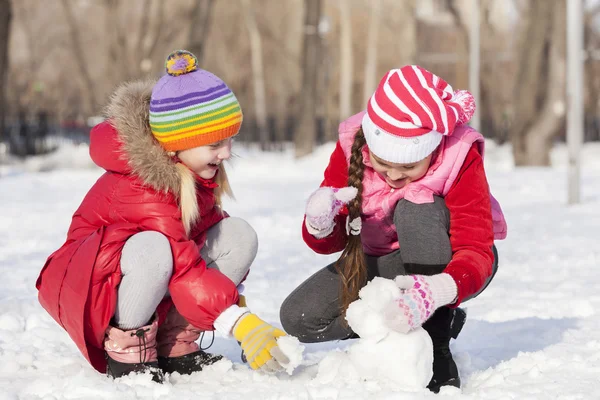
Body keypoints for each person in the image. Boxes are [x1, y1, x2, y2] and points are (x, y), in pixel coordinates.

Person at [36, 50, 289, 383]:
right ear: (174, 145)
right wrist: (237, 320)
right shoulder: (147, 186)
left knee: (237, 234)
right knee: (155, 247)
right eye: (215, 144)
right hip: (88, 288)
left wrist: (231, 294)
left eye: (229, 141)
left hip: (137, 272)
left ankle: (175, 343)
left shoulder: (192, 172)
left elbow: (202, 235)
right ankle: (127, 348)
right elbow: (184, 267)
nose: (226, 153)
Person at [280, 65, 507, 393]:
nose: (394, 176)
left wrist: (438, 292)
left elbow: (476, 247)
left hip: (449, 261)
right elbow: (333, 243)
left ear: (432, 150)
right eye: (383, 164)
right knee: (299, 317)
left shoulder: (460, 154)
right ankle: (392, 324)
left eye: (409, 167)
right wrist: (320, 223)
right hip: (380, 260)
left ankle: (436, 341)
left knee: (415, 208)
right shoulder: (352, 144)